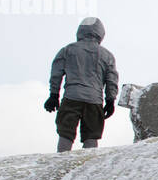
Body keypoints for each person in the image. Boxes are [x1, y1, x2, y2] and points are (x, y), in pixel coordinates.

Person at [44, 17, 118, 152]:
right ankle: (88, 164)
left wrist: (54, 95)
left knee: (65, 132)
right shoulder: (107, 55)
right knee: (92, 134)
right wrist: (110, 100)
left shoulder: (67, 50)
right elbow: (111, 79)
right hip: (94, 101)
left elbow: (56, 73)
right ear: (101, 34)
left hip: (71, 97)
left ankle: (61, 160)